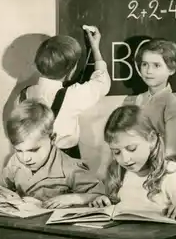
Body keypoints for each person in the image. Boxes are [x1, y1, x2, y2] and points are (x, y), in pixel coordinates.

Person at [96, 38, 176, 179]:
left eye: (156, 65)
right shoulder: (132, 100)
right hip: (132, 163)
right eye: (145, 64)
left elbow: (170, 148)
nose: (149, 71)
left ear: (171, 69)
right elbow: (114, 136)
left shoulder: (171, 102)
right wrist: (103, 166)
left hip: (159, 168)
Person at [90, 105, 176, 222]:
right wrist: (103, 201)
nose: (125, 159)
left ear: (151, 139)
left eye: (131, 148)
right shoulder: (120, 173)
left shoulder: (173, 174)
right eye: (116, 152)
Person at [0, 99, 105, 208]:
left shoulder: (70, 168)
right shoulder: (15, 161)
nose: (25, 158)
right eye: (19, 150)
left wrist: (71, 198)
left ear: (52, 138)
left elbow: (100, 194)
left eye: (33, 150)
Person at [20, 25, 111, 159]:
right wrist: (95, 47)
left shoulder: (25, 94)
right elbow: (102, 83)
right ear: (72, 70)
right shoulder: (72, 96)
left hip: (34, 160)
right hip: (65, 159)